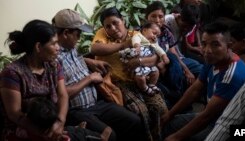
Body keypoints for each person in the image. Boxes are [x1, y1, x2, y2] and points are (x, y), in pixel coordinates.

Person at [52, 9, 145, 141]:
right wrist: (89, 78)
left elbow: (74, 60)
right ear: (66, 33)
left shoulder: (71, 47)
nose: (79, 39)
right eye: (78, 34)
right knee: (109, 135)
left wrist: (90, 61)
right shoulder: (53, 58)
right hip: (77, 111)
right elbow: (60, 94)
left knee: (134, 121)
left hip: (96, 103)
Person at [160, 21, 245, 141]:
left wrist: (176, 137)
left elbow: (207, 116)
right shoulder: (213, 60)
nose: (207, 50)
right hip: (212, 118)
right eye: (204, 44)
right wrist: (170, 114)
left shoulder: (233, 75)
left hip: (229, 127)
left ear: (229, 45)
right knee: (170, 124)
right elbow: (195, 90)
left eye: (215, 44)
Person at [91, 7, 168, 141]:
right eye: (108, 26)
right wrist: (122, 46)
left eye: (116, 23)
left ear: (123, 20)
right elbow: (95, 49)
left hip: (143, 79)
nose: (113, 28)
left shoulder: (137, 35)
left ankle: (162, 136)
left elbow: (156, 57)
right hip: (120, 85)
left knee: (159, 107)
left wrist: (139, 61)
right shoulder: (103, 35)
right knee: (140, 111)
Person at [0, 20, 69, 141]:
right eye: (54, 43)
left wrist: (60, 122)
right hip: (21, 130)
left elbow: (63, 95)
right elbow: (14, 114)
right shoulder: (12, 73)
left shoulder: (54, 66)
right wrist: (45, 133)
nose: (58, 48)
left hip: (50, 124)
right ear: (38, 47)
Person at [145, 1, 202, 109]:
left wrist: (186, 70)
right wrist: (160, 63)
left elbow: (174, 52)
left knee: (196, 68)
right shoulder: (141, 32)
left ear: (164, 17)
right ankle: (181, 102)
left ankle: (186, 100)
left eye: (160, 16)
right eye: (153, 16)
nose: (157, 20)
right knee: (172, 62)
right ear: (146, 17)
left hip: (169, 62)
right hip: (153, 66)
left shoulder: (166, 31)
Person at [119, 22, 169, 95]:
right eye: (154, 33)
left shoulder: (154, 42)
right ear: (145, 30)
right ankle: (144, 88)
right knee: (140, 77)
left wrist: (164, 56)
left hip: (148, 65)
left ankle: (152, 84)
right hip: (137, 64)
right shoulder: (139, 35)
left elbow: (159, 49)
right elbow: (136, 40)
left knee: (156, 72)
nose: (155, 37)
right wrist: (137, 46)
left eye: (157, 36)